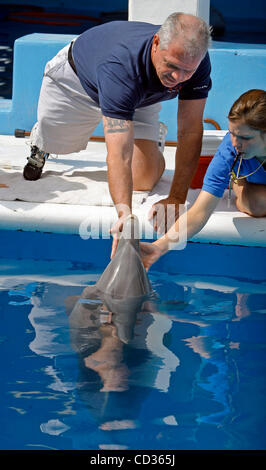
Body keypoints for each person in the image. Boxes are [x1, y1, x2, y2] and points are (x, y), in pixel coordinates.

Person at [22, 12, 212, 256]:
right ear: (156, 44)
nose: (178, 79)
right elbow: (119, 153)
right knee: (57, 139)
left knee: (143, 179)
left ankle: (152, 145)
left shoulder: (195, 62)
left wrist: (176, 197)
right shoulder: (120, 66)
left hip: (142, 96)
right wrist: (124, 214)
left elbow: (190, 130)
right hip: (76, 84)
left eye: (187, 71)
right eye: (172, 66)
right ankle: (42, 143)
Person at [140, 89, 266, 270]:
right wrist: (158, 247)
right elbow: (199, 212)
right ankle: (238, 182)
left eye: (245, 137)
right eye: (232, 132)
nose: (236, 143)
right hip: (252, 188)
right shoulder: (230, 151)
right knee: (258, 204)